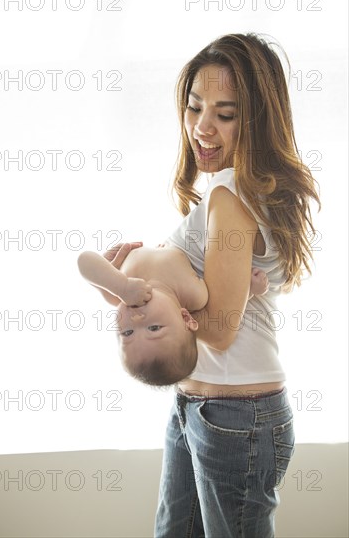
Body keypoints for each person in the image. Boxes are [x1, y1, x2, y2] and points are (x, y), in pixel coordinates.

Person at [150, 32, 321, 537]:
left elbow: (220, 328)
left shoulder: (230, 194)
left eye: (225, 114)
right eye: (194, 106)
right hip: (206, 406)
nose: (202, 127)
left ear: (258, 121)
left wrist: (154, 299)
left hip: (234, 414)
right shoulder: (244, 190)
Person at [77, 244, 269, 386]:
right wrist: (250, 289)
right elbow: (227, 295)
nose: (136, 319)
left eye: (127, 333)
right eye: (154, 328)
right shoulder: (194, 294)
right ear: (186, 318)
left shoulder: (116, 293)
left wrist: (119, 284)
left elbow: (84, 260)